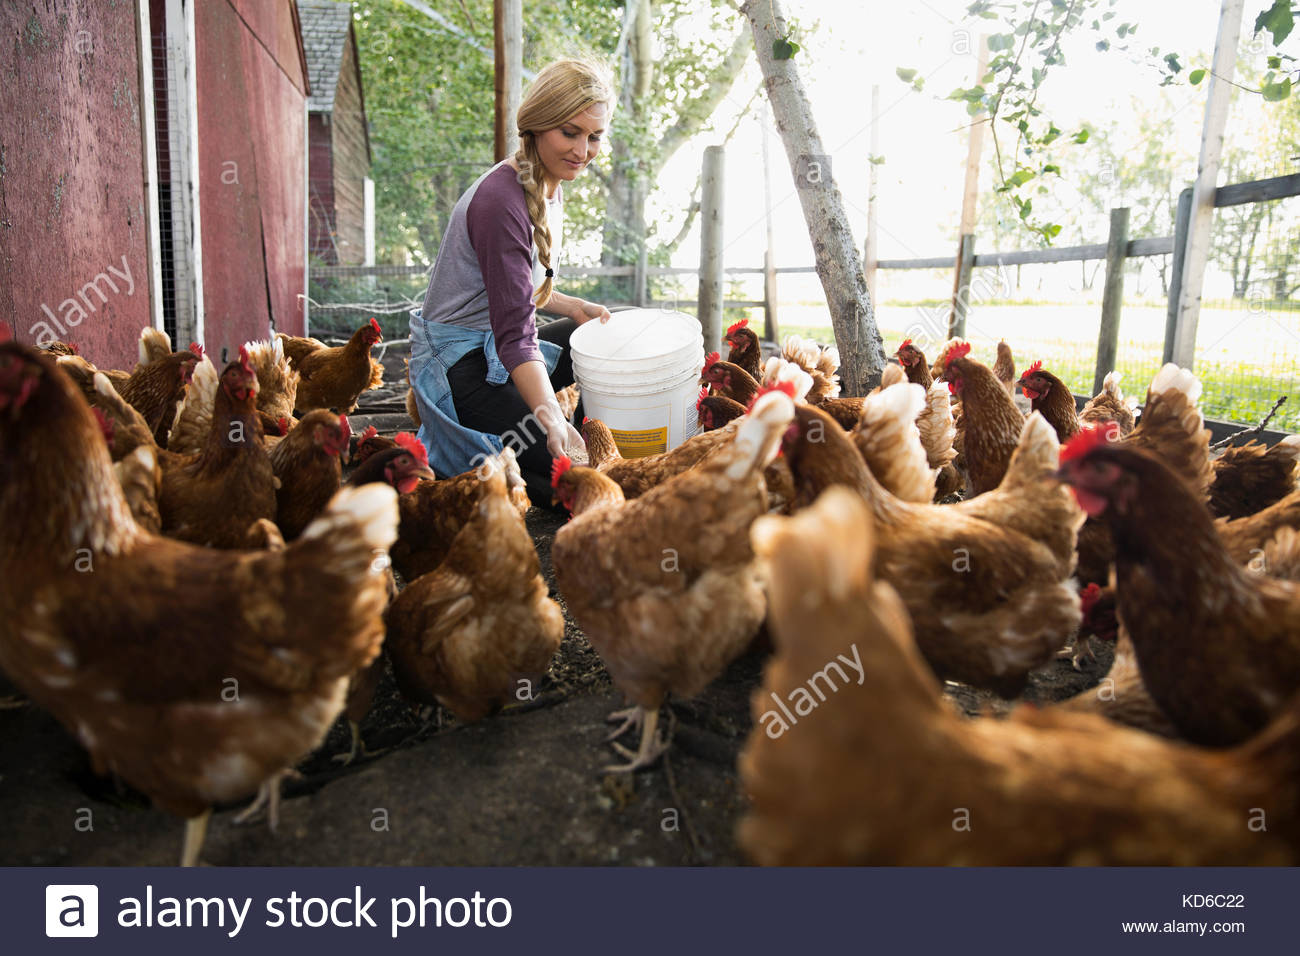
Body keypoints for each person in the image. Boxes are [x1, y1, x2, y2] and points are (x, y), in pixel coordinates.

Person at [407, 57, 616, 506]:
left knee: (608, 334)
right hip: (460, 366)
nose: (583, 150)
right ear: (538, 126)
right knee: (566, 475)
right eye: (570, 132)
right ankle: (498, 454)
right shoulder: (501, 201)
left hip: (498, 349)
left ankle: (591, 431)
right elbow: (515, 336)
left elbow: (514, 292)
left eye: (594, 136)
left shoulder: (549, 184)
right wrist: (550, 420)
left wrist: (571, 307)